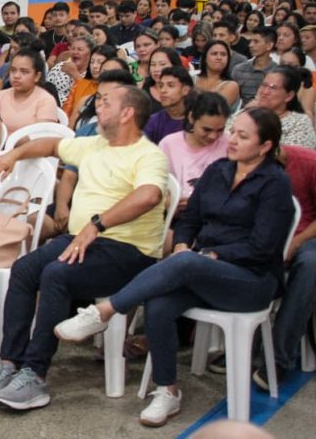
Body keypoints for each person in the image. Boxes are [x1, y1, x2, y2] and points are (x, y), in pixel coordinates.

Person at [53, 108, 293, 428]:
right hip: (202, 267)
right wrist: (182, 244)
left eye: (242, 136)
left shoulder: (275, 183)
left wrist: (212, 256)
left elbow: (262, 247)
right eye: (233, 132)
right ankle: (167, 390)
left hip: (251, 280)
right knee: (160, 302)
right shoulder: (219, 170)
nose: (231, 140)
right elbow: (191, 218)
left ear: (265, 146)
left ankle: (105, 312)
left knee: (185, 264)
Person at [0, 83, 168, 411]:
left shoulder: (149, 155)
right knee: (24, 269)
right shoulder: (93, 144)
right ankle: (9, 365)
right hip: (82, 240)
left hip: (127, 251)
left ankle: (34, 375)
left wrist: (97, 224)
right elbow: (50, 145)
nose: (98, 106)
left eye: (106, 102)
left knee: (56, 275)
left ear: (127, 113)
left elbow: (149, 195)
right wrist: (13, 154)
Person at [256, 145, 316, 389]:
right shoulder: (240, 164)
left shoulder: (308, 162)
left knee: (310, 264)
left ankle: (280, 359)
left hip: (306, 236)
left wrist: (297, 241)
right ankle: (244, 343)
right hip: (266, 235)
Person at [159, 91, 230, 214]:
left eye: (220, 130)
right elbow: (156, 185)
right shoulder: (169, 144)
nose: (213, 136)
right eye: (206, 130)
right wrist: (167, 202)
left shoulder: (229, 143)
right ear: (191, 118)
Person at [229, 66, 316, 148]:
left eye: (273, 88)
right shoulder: (245, 113)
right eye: (264, 85)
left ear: (289, 96)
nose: (265, 92)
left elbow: (297, 157)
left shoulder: (299, 123)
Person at [0, 49, 59, 133]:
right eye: (13, 70)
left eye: (24, 72)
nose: (16, 76)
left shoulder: (46, 100)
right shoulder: (0, 96)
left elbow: (42, 137)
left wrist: (12, 141)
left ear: (37, 76)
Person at [63, 45, 117, 126]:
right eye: (92, 62)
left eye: (100, 62)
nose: (94, 66)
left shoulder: (116, 90)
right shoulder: (80, 84)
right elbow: (66, 114)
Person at [144, 66, 194, 144]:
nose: (163, 90)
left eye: (170, 85)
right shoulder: (153, 121)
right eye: (161, 86)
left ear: (185, 90)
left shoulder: (198, 120)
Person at [231, 26, 277, 105]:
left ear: (269, 45)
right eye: (250, 41)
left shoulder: (278, 72)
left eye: (256, 41)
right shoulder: (239, 69)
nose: (250, 45)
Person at [46, 35, 93, 107]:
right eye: (73, 49)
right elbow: (47, 87)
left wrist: (75, 74)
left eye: (80, 49)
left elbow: (89, 97)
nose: (75, 52)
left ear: (90, 53)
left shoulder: (93, 72)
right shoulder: (61, 66)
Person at [195, 40, 241, 110]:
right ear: (205, 58)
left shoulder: (231, 86)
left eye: (223, 54)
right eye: (214, 54)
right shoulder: (192, 78)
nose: (219, 58)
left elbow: (214, 111)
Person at [277, 47, 315, 117]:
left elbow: (308, 116)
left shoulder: (306, 88)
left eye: (290, 65)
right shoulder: (272, 82)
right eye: (282, 64)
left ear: (300, 67)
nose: (285, 69)